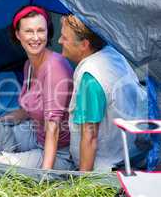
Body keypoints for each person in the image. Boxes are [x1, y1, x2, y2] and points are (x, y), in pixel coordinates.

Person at [0, 6, 74, 170]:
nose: (35, 37)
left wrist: (45, 175)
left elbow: (53, 128)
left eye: (41, 30)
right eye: (29, 31)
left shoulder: (55, 68)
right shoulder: (29, 65)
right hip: (35, 136)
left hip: (58, 152)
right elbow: (27, 111)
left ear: (48, 32)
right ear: (18, 34)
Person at [58, 15, 147, 171]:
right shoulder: (113, 54)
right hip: (135, 153)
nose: (59, 41)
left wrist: (82, 184)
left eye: (64, 38)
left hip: (107, 166)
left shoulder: (91, 78)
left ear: (84, 45)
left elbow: (90, 137)